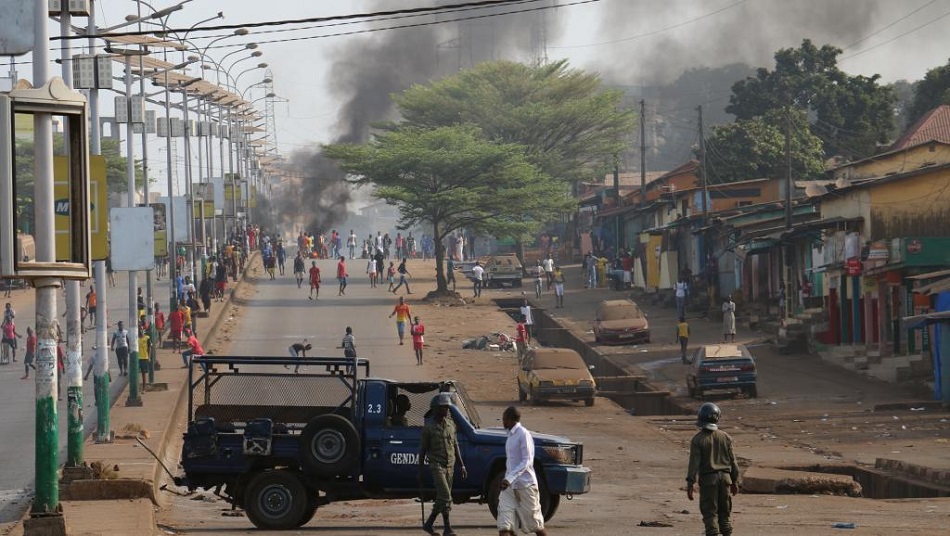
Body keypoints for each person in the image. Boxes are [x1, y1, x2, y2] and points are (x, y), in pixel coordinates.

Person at [686, 402, 740, 536]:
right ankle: (726, 532)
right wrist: (735, 482)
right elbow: (733, 462)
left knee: (710, 512)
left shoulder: (697, 440)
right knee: (725, 511)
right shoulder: (726, 437)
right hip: (726, 479)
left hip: (709, 480)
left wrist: (690, 483)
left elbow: (694, 464)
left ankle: (712, 532)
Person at [418, 393, 467, 536]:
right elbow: (422, 450)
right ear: (436, 409)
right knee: (446, 496)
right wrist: (419, 471)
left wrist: (462, 465)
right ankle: (447, 527)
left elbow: (455, 445)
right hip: (437, 466)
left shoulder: (451, 425)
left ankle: (429, 524)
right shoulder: (429, 428)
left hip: (450, 466)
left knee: (442, 497)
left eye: (447, 407)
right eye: (444, 407)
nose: (447, 409)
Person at [497, 406, 547, 536]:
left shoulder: (523, 434)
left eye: (504, 419)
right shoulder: (510, 435)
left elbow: (527, 461)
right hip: (509, 488)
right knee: (504, 525)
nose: (503, 422)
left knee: (536, 525)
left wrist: (510, 478)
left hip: (525, 485)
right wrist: (507, 479)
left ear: (511, 419)